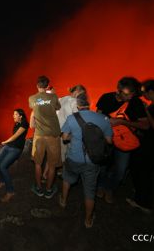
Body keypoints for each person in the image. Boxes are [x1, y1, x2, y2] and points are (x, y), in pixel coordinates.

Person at [60, 93, 113, 228]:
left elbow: (65, 138)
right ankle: (88, 220)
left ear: (77, 105)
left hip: (73, 158)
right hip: (93, 161)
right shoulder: (104, 119)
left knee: (67, 179)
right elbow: (109, 141)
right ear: (90, 104)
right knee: (90, 190)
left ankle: (63, 201)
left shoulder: (72, 118)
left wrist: (76, 137)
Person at [96, 76, 149, 203]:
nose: (130, 96)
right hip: (106, 138)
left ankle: (110, 188)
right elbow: (97, 115)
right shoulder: (106, 98)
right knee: (102, 165)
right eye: (127, 94)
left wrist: (122, 121)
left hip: (125, 140)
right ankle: (101, 186)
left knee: (121, 170)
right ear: (118, 90)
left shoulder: (135, 102)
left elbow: (145, 125)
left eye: (132, 93)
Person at [126, 80, 154, 213]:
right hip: (147, 142)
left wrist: (146, 111)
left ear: (151, 92)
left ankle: (144, 203)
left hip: (153, 145)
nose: (143, 94)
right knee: (138, 169)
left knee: (144, 172)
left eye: (144, 92)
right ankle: (141, 197)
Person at [28, 75, 61, 198]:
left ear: (37, 85)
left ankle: (38, 188)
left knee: (37, 163)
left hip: (39, 136)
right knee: (52, 165)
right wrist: (52, 94)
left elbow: (35, 108)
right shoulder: (53, 97)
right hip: (53, 135)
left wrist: (42, 102)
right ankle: (48, 190)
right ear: (47, 86)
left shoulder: (32, 98)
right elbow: (58, 107)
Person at [0, 109, 29, 202]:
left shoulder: (24, 124)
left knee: (2, 166)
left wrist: (5, 141)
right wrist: (7, 143)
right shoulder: (16, 123)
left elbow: (15, 136)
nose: (13, 116)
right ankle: (3, 181)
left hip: (16, 148)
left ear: (20, 116)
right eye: (13, 114)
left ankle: (10, 191)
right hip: (9, 146)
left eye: (15, 114)